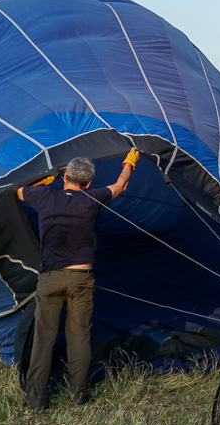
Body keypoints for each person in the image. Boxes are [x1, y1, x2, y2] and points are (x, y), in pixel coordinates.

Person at [18, 150, 138, 411]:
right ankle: (79, 395)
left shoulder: (46, 196)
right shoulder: (93, 199)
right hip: (81, 278)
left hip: (50, 279)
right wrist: (129, 162)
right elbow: (121, 184)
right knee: (79, 337)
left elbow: (19, 190)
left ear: (66, 177)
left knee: (43, 339)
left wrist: (48, 178)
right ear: (89, 182)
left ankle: (37, 400)